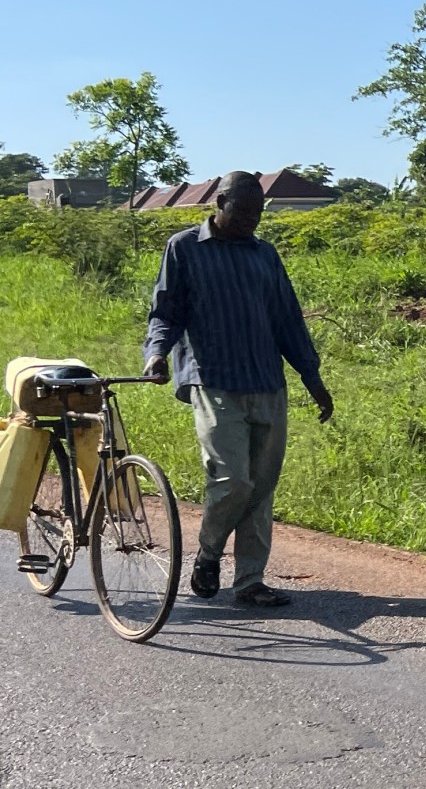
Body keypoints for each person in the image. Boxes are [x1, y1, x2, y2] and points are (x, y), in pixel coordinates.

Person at [142, 171, 334, 608]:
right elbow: (165, 311)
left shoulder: (264, 254)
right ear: (220, 202)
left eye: (258, 212)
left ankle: (250, 581)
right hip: (213, 378)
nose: (252, 219)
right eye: (243, 211)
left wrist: (312, 377)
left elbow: (287, 319)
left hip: (266, 381)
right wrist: (156, 353)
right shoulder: (185, 247)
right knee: (232, 480)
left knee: (261, 487)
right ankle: (209, 553)